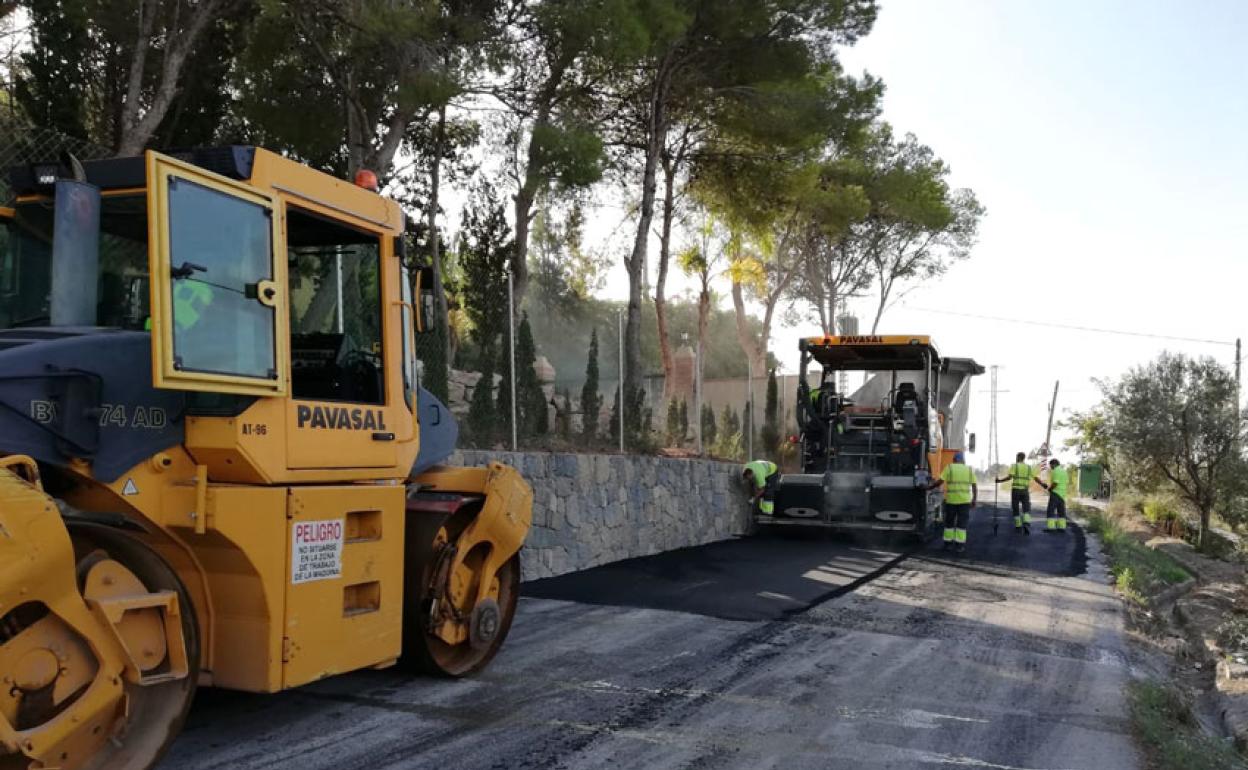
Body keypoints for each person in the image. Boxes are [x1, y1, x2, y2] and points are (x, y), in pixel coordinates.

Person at [928, 451, 977, 553]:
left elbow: (940, 481)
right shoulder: (969, 470)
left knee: (949, 523)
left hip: (951, 501)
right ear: (963, 460)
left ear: (954, 460)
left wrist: (929, 487)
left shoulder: (949, 468)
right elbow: (974, 486)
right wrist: (974, 499)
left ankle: (948, 544)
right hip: (964, 502)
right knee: (961, 524)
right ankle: (960, 546)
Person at [995, 452, 1035, 534]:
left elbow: (1010, 477)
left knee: (1015, 508)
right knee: (1026, 507)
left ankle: (1018, 525)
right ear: (1024, 458)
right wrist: (1042, 484)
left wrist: (999, 481)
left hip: (1016, 490)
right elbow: (1034, 477)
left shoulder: (1014, 466)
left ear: (1018, 457)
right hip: (1025, 490)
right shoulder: (1028, 467)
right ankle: (1026, 522)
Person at [1036, 458, 1069, 532]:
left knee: (1050, 510)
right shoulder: (1064, 471)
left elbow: (1055, 483)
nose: (1050, 467)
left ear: (1054, 464)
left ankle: (1051, 528)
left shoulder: (1055, 471)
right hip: (1063, 494)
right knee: (1061, 511)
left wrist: (1050, 489)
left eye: (1050, 465)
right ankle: (1062, 527)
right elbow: (1066, 482)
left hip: (1055, 493)